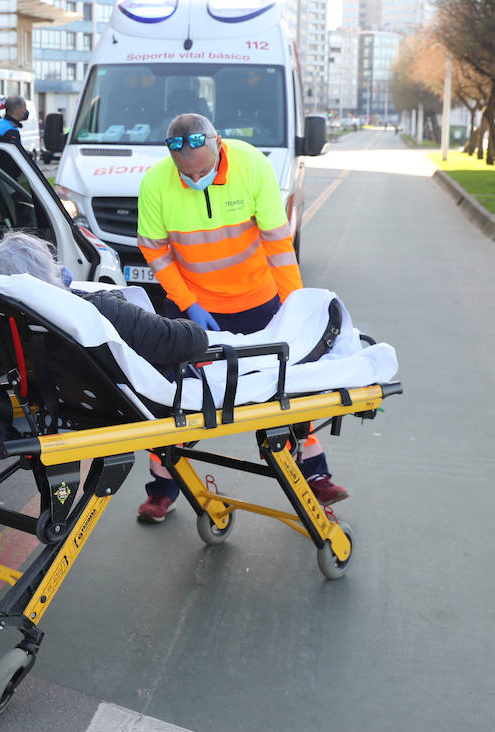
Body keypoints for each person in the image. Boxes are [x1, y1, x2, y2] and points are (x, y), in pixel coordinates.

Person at [133, 113, 348, 523]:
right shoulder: (157, 182)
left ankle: (314, 476)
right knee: (175, 399)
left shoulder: (252, 166)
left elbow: (278, 246)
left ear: (218, 143)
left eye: (203, 170)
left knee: (284, 389)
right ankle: (161, 491)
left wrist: (296, 307)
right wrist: (188, 303)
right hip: (194, 308)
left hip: (257, 300)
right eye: (186, 173)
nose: (195, 179)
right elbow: (155, 250)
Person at [0, 230, 208, 376]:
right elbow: (191, 340)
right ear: (48, 272)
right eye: (52, 261)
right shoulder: (102, 311)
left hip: (72, 391)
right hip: (139, 389)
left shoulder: (7, 318)